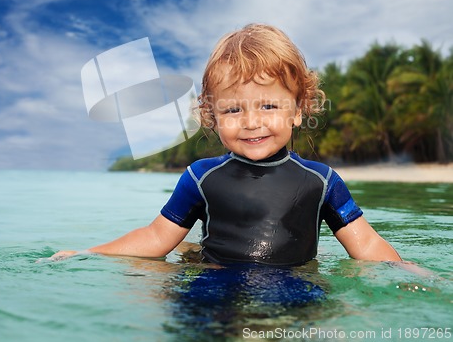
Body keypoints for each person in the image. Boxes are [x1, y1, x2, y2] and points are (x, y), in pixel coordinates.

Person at [52, 23, 401, 265]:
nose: (251, 122)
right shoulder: (200, 177)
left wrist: (411, 273)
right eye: (233, 109)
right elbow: (156, 237)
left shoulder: (322, 181)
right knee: (147, 283)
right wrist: (89, 254)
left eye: (268, 105)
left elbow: (367, 244)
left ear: (298, 110)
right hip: (214, 283)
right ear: (212, 115)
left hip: (292, 287)